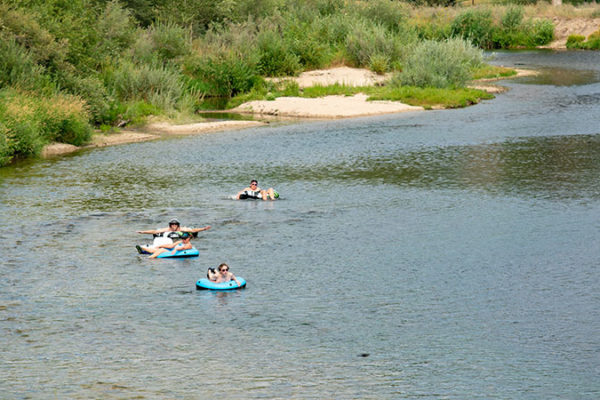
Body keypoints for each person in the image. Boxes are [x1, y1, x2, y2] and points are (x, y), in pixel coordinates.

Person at [137, 219, 211, 247]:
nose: (174, 226)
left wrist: (204, 228)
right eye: (172, 224)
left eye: (175, 224)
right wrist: (143, 232)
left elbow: (193, 230)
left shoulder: (182, 229)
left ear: (178, 225)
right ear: (170, 225)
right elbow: (155, 231)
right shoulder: (167, 229)